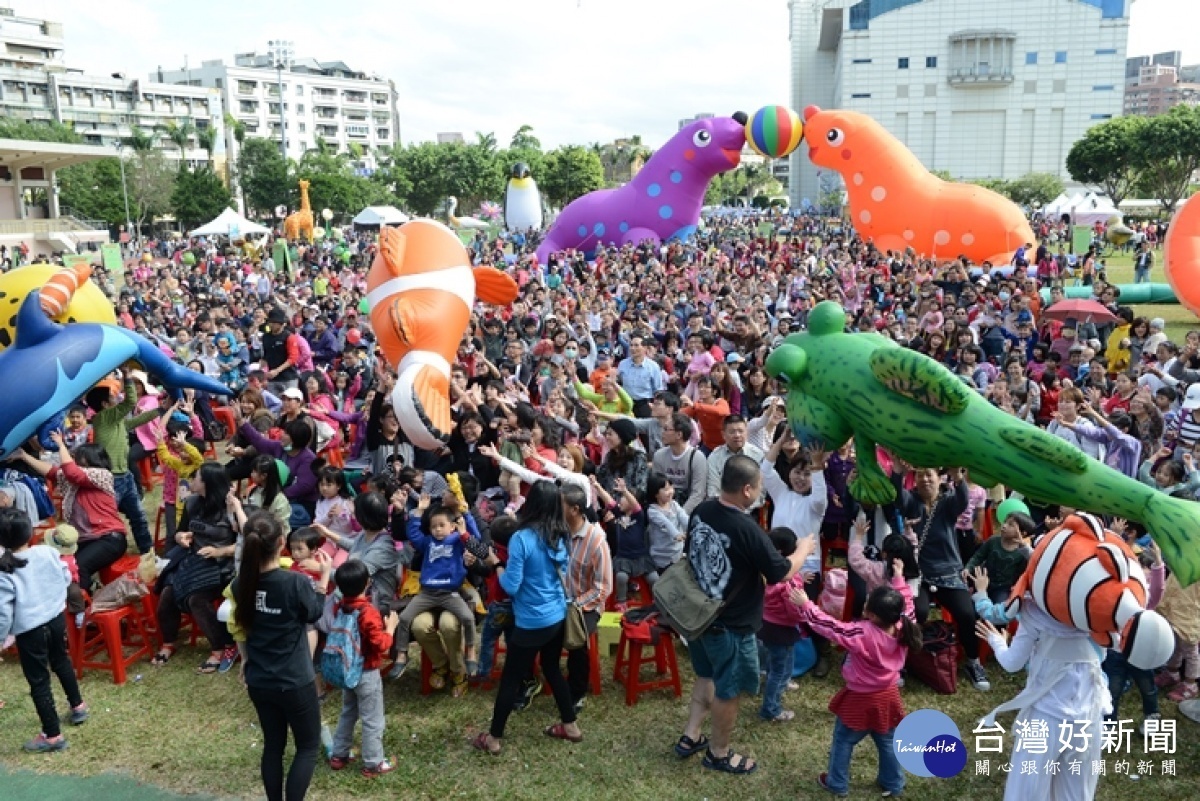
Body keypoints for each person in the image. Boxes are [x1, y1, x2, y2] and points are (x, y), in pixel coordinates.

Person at [674, 455, 807, 776]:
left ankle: (691, 736)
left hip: (699, 617)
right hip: (730, 626)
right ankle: (719, 753)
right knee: (728, 689)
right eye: (759, 487)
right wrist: (804, 548)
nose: (760, 493)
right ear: (747, 489)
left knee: (705, 675)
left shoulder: (702, 510)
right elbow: (781, 572)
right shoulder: (747, 528)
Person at [473, 482, 580, 755]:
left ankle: (494, 738)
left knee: (511, 678)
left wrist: (497, 565)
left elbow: (511, 585)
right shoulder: (561, 534)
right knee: (553, 668)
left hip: (530, 620)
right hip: (556, 615)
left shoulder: (522, 539)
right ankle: (571, 726)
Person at [230, 511, 330, 801]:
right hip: (294, 680)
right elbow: (313, 613)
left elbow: (243, 628)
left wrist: (246, 660)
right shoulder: (294, 583)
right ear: (281, 542)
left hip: (260, 680)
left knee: (273, 746)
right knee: (308, 746)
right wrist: (323, 582)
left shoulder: (241, 584)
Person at [800, 569, 919, 798]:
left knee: (843, 740)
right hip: (888, 695)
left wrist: (806, 604)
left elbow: (828, 626)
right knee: (887, 740)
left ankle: (837, 783)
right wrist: (899, 578)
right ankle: (893, 783)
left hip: (860, 698)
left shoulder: (861, 633)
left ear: (871, 615)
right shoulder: (905, 625)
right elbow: (909, 605)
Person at [0, 508, 88, 753]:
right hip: (55, 619)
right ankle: (78, 706)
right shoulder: (47, 551)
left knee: (39, 681)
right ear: (30, 532)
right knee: (61, 662)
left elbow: (3, 612)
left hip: (30, 632)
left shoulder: (5, 571)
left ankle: (52, 735)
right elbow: (65, 578)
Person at [152, 462, 239, 673]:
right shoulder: (191, 503)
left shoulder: (230, 507)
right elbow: (180, 533)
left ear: (207, 483)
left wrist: (220, 551)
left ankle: (220, 648)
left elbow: (245, 543)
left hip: (222, 565)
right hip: (195, 560)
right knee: (167, 593)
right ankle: (168, 643)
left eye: (196, 478)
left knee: (196, 599)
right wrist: (182, 537)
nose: (192, 481)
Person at [389, 495, 481, 695]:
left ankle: (470, 655)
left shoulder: (458, 540)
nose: (438, 530)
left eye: (442, 525)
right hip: (427, 593)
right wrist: (419, 512)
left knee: (466, 617)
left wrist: (465, 518)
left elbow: (478, 544)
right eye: (434, 526)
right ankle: (402, 656)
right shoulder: (428, 543)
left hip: (450, 593)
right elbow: (412, 533)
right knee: (404, 618)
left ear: (452, 527)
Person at [11, 434, 125, 592]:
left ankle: (82, 611)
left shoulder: (103, 475)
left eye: (79, 458)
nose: (75, 460)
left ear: (92, 459)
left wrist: (60, 445)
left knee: (78, 567)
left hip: (109, 538)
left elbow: (72, 472)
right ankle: (87, 591)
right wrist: (23, 456)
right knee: (60, 564)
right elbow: (51, 471)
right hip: (88, 539)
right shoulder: (74, 479)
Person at [327, 559, 399, 778]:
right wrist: (391, 628)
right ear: (368, 582)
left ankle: (339, 754)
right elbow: (381, 644)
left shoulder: (341, 606)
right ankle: (373, 763)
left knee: (348, 711)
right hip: (367, 672)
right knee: (372, 719)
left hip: (348, 671)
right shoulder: (367, 612)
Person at [83, 375, 157, 555]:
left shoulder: (115, 421)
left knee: (138, 517)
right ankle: (102, 554)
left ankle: (148, 553)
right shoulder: (103, 418)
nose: (117, 398)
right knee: (107, 521)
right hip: (111, 479)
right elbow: (131, 402)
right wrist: (127, 377)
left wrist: (161, 410)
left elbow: (137, 420)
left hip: (125, 475)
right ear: (105, 404)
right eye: (112, 397)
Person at [559, 483, 613, 712]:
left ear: (574, 509)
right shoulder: (557, 532)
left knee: (577, 639)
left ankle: (577, 691)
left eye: (559, 505)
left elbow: (603, 588)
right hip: (558, 600)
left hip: (586, 604)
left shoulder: (596, 541)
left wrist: (575, 605)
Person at [757, 527, 808, 723]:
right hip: (782, 629)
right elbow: (794, 608)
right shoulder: (790, 582)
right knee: (780, 668)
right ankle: (771, 709)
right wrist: (804, 616)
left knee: (777, 661)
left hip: (767, 624)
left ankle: (782, 681)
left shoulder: (767, 573)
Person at [652, 411, 707, 514]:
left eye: (666, 429)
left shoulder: (697, 457)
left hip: (688, 509)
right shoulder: (659, 455)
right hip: (664, 507)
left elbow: (697, 494)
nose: (662, 433)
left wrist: (679, 516)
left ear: (679, 434)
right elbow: (656, 488)